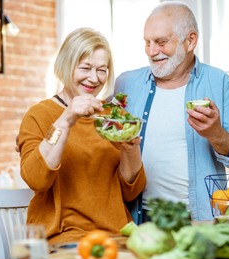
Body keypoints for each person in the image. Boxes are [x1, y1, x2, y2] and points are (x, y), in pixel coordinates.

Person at [115, 1, 229, 222]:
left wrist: (216, 134)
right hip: (138, 218)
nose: (152, 51)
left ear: (190, 41)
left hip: (198, 219)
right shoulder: (126, 84)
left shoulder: (219, 82)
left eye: (161, 42)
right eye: (147, 42)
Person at [17, 28, 146, 245]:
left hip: (116, 235)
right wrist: (66, 119)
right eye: (85, 68)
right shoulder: (39, 115)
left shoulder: (114, 117)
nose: (94, 79)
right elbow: (36, 179)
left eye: (102, 70)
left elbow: (130, 192)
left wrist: (130, 149)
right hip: (65, 237)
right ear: (65, 65)